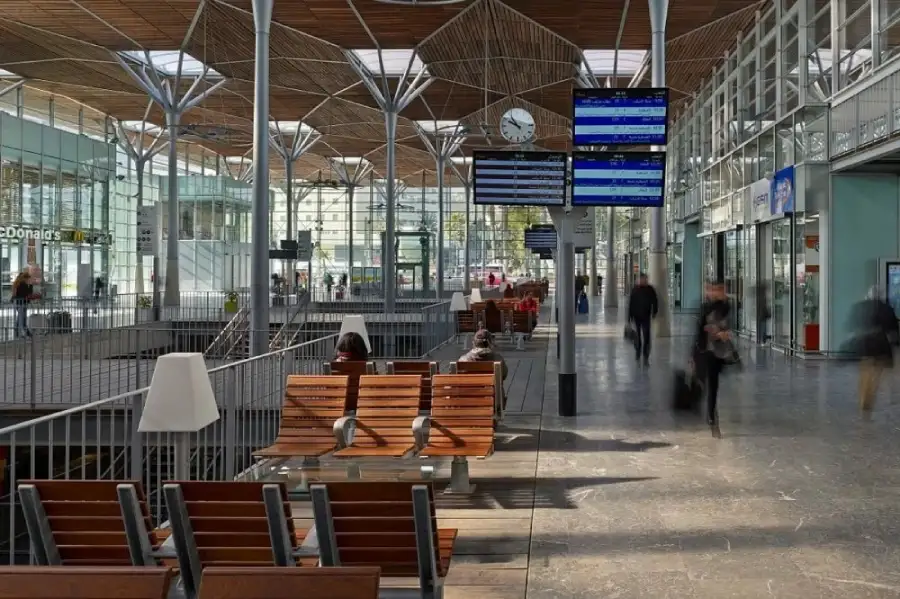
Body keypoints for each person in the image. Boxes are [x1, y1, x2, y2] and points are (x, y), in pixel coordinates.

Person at [694, 281, 734, 437]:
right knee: (708, 384)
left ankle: (711, 417)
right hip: (705, 351)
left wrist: (725, 333)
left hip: (718, 352)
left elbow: (728, 325)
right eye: (713, 290)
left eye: (720, 290)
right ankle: (711, 417)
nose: (716, 292)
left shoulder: (726, 307)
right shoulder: (705, 307)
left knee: (713, 385)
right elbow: (700, 330)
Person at [852, 286, 899, 412]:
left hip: (865, 344)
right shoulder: (887, 308)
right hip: (881, 345)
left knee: (865, 371)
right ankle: (870, 395)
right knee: (877, 374)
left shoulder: (861, 307)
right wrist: (895, 342)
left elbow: (852, 324)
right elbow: (893, 329)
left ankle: (864, 397)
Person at [627, 273, 659, 366]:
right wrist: (629, 317)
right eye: (642, 279)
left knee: (646, 336)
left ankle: (645, 354)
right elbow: (631, 304)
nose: (644, 281)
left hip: (646, 316)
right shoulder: (635, 289)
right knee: (637, 336)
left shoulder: (650, 289)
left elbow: (655, 301)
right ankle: (638, 351)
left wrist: (654, 312)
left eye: (645, 279)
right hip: (636, 317)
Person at [11, 271, 35, 338]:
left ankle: (19, 332)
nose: (29, 280)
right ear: (25, 278)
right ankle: (22, 333)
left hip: (19, 303)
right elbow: (28, 294)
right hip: (21, 303)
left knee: (20, 318)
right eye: (28, 278)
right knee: (22, 319)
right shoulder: (22, 284)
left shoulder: (17, 283)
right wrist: (30, 285)